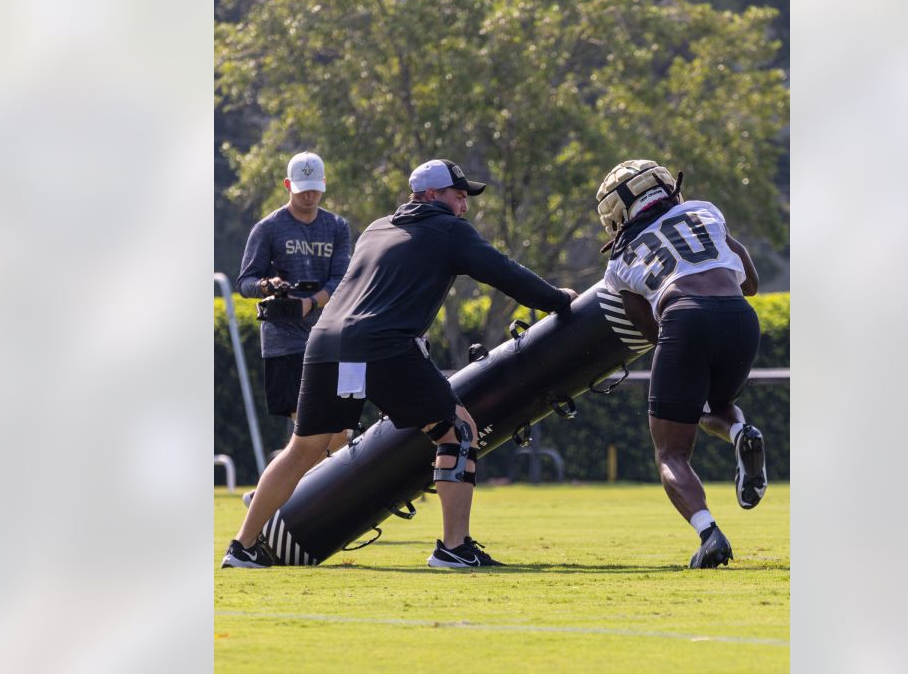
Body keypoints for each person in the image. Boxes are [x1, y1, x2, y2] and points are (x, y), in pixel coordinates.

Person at [222, 158, 576, 569]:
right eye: (458, 196)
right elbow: (504, 273)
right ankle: (454, 548)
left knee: (303, 449)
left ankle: (242, 546)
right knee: (458, 432)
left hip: (326, 342)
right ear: (430, 196)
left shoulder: (377, 227)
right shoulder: (449, 230)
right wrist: (556, 299)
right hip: (383, 346)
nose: (464, 206)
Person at [594, 159, 767, 569]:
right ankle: (741, 429)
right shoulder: (704, 212)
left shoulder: (618, 264)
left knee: (671, 452)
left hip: (683, 316)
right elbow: (752, 283)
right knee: (713, 405)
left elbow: (653, 333)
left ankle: (710, 535)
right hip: (742, 317)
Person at [235, 151, 353, 464]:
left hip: (328, 338)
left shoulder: (338, 227)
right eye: (302, 189)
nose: (309, 195)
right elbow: (245, 281)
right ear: (288, 184)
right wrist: (267, 286)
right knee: (309, 429)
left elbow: (342, 279)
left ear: (324, 184)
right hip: (283, 341)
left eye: (315, 188)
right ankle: (291, 498)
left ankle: (311, 498)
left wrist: (311, 302)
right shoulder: (269, 228)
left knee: (339, 432)